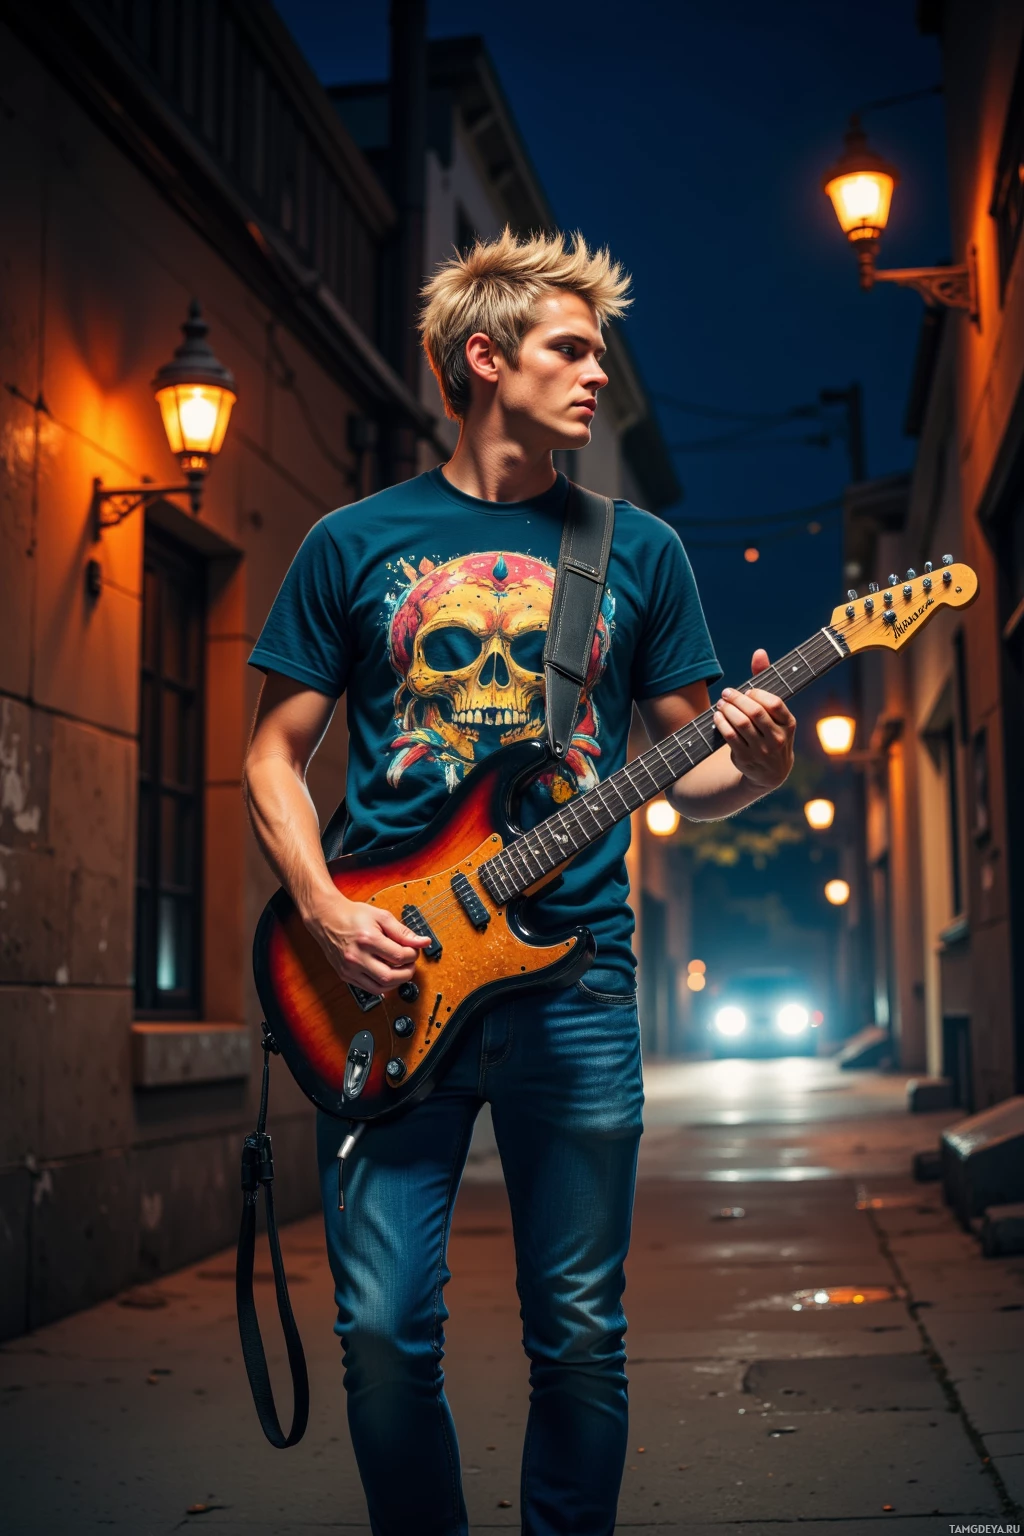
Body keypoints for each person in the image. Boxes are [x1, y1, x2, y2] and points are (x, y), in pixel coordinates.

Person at [243, 229, 795, 1536]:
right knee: (380, 1332)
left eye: (600, 351)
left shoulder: (637, 552)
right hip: (381, 973)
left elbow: (685, 767)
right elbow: (272, 753)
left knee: (581, 1335)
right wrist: (324, 907)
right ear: (485, 360)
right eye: (571, 348)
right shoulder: (353, 541)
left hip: (578, 981)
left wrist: (757, 773)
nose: (599, 373)